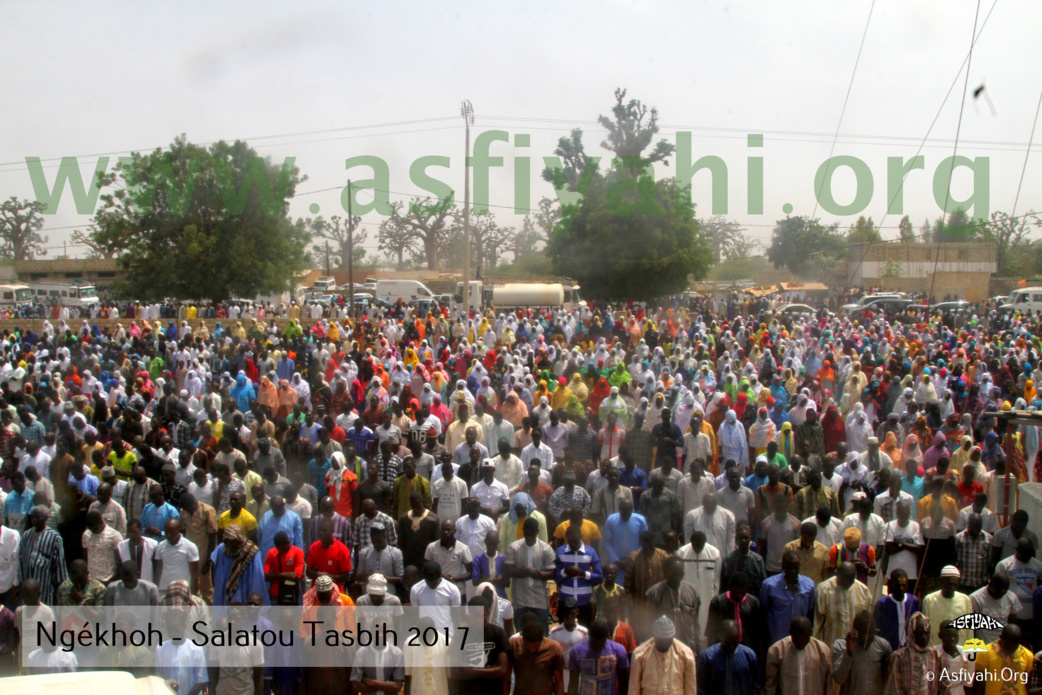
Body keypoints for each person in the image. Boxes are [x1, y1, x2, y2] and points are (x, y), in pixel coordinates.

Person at [506, 516, 557, 633]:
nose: (528, 535)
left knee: (542, 633)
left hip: (540, 599)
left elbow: (552, 573)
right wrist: (525, 570)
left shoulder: (546, 549)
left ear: (537, 532)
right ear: (523, 530)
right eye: (526, 532)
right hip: (520, 600)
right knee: (521, 633)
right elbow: (508, 571)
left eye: (531, 532)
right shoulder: (514, 548)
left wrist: (536, 573)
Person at [760, 549, 816, 648]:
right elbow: (763, 612)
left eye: (795, 567)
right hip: (776, 640)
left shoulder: (809, 585)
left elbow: (810, 611)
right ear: (782, 567)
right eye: (789, 568)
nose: (792, 571)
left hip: (800, 641)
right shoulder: (769, 585)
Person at [629, 615, 697, 695]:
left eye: (667, 640)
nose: (664, 643)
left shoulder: (685, 655)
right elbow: (633, 689)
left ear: (673, 637)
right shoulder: (640, 655)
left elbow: (691, 689)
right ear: (654, 637)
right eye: (661, 640)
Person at [831, 609, 893, 695]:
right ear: (855, 632)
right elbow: (838, 679)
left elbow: (888, 679)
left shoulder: (883, 646)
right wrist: (848, 653)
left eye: (870, 638)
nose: (866, 641)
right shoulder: (841, 645)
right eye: (864, 638)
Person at [677, 529, 722, 650]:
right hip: (687, 599)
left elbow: (717, 581)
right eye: (695, 546)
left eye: (700, 546)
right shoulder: (682, 553)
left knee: (704, 627)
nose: (697, 549)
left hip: (707, 597)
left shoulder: (714, 554)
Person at [765, 616, 832, 695]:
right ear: (790, 632)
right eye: (797, 637)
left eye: (805, 637)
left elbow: (828, 684)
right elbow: (771, 685)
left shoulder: (822, 650)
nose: (801, 640)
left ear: (810, 632)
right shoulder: (777, 650)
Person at [886, 612, 948, 695]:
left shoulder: (938, 657)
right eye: (919, 633)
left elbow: (943, 689)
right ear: (912, 634)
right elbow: (895, 690)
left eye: (926, 633)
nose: (924, 637)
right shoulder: (899, 657)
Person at [814, 562, 872, 647]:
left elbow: (867, 622)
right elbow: (817, 624)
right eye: (844, 579)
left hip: (854, 647)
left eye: (850, 580)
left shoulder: (863, 591)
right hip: (831, 646)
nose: (847, 583)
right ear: (837, 574)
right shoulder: (824, 590)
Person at [18, 505, 67, 604]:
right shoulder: (26, 535)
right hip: (27, 590)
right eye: (33, 517)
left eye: (38, 517)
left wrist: (58, 591)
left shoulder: (55, 537)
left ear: (46, 518)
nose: (35, 520)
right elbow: (20, 561)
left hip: (44, 589)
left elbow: (59, 566)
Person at [566, 618, 629, 695]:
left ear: (607, 637)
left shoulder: (619, 650)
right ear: (589, 636)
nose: (597, 645)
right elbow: (573, 683)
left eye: (601, 642)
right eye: (595, 642)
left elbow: (623, 682)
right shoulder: (577, 651)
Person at [696, 619, 760, 695]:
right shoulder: (706, 657)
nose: (731, 647)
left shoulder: (749, 656)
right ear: (720, 635)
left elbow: (756, 686)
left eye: (734, 642)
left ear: (739, 636)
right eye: (728, 642)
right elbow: (701, 688)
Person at [509, 614, 566, 695]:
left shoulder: (554, 648)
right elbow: (506, 678)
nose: (532, 650)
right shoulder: (513, 645)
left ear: (542, 639)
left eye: (536, 647)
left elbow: (559, 681)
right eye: (528, 647)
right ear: (522, 638)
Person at [211, 525, 268, 605]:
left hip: (244, 586)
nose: (231, 544)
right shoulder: (222, 549)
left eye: (233, 541)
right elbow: (214, 564)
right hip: (224, 586)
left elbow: (257, 575)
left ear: (239, 538)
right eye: (228, 541)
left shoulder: (251, 550)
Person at [976, 623, 1033, 695]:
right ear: (1001, 638)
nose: (1010, 650)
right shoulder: (985, 653)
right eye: (1007, 647)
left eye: (1014, 647)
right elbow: (978, 684)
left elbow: (1027, 683)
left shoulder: (1027, 656)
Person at [873, 569, 920, 651]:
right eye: (898, 585)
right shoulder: (882, 604)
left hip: (910, 649)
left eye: (904, 585)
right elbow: (876, 629)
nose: (901, 589)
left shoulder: (913, 601)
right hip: (889, 649)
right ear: (891, 584)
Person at [549, 597, 588, 693]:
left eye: (572, 613)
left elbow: (587, 656)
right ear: (562, 614)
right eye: (566, 613)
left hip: (578, 679)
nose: (569, 616)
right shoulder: (555, 632)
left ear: (577, 612)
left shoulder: (583, 633)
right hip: (561, 678)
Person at [155, 517, 199, 593]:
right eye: (166, 532)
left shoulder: (190, 546)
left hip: (183, 589)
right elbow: (158, 570)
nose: (168, 535)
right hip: (164, 588)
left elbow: (195, 573)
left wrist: (193, 593)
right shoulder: (160, 546)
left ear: (179, 530)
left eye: (172, 532)